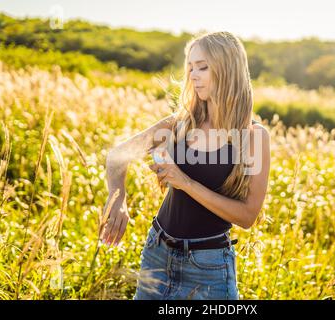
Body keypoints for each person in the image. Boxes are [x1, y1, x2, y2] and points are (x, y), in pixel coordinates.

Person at [101, 31, 271, 300]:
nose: (193, 75)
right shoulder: (181, 122)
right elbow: (117, 156)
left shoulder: (253, 137)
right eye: (190, 67)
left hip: (208, 268)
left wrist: (185, 182)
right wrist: (118, 197)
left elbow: (247, 216)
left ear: (228, 69)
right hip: (157, 253)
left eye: (202, 67)